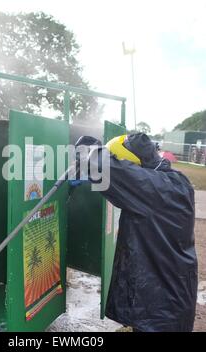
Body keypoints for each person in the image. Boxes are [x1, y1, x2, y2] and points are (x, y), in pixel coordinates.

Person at [75, 133, 198, 332]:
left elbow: (102, 167)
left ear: (133, 164)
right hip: (168, 296)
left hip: (163, 308)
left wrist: (91, 152)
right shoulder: (174, 181)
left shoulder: (157, 189)